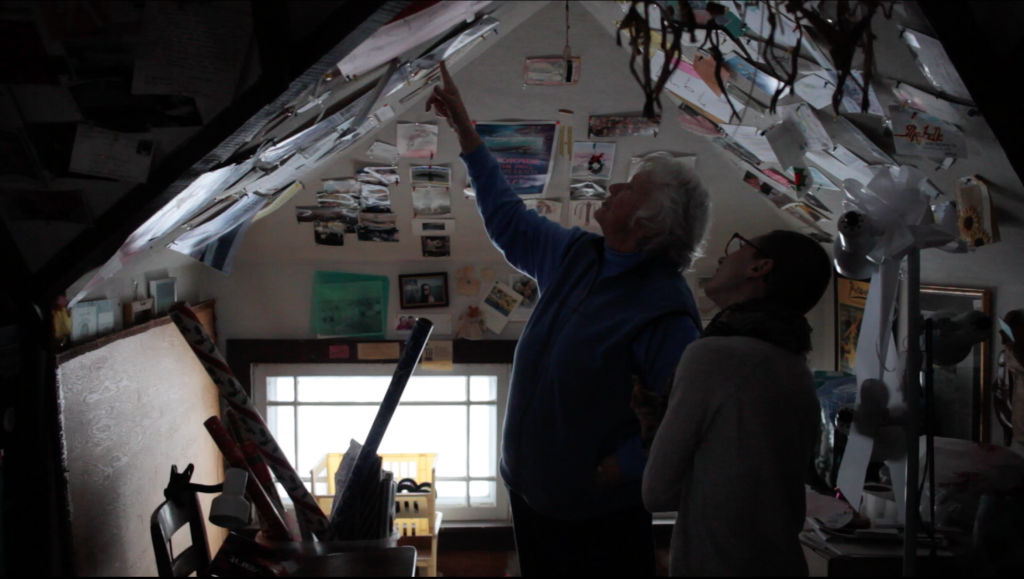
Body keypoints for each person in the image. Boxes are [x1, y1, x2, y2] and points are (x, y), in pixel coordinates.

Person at [427, 62, 710, 577]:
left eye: (633, 187)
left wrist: (611, 471)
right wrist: (467, 134)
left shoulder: (665, 311)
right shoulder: (582, 254)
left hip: (595, 513)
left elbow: (685, 425)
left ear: (646, 226)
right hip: (530, 490)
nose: (616, 184)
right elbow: (508, 218)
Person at [642, 231, 832, 577]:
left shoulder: (713, 356)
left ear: (759, 267)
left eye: (738, 248)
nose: (721, 258)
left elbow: (657, 492)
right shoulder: (795, 365)